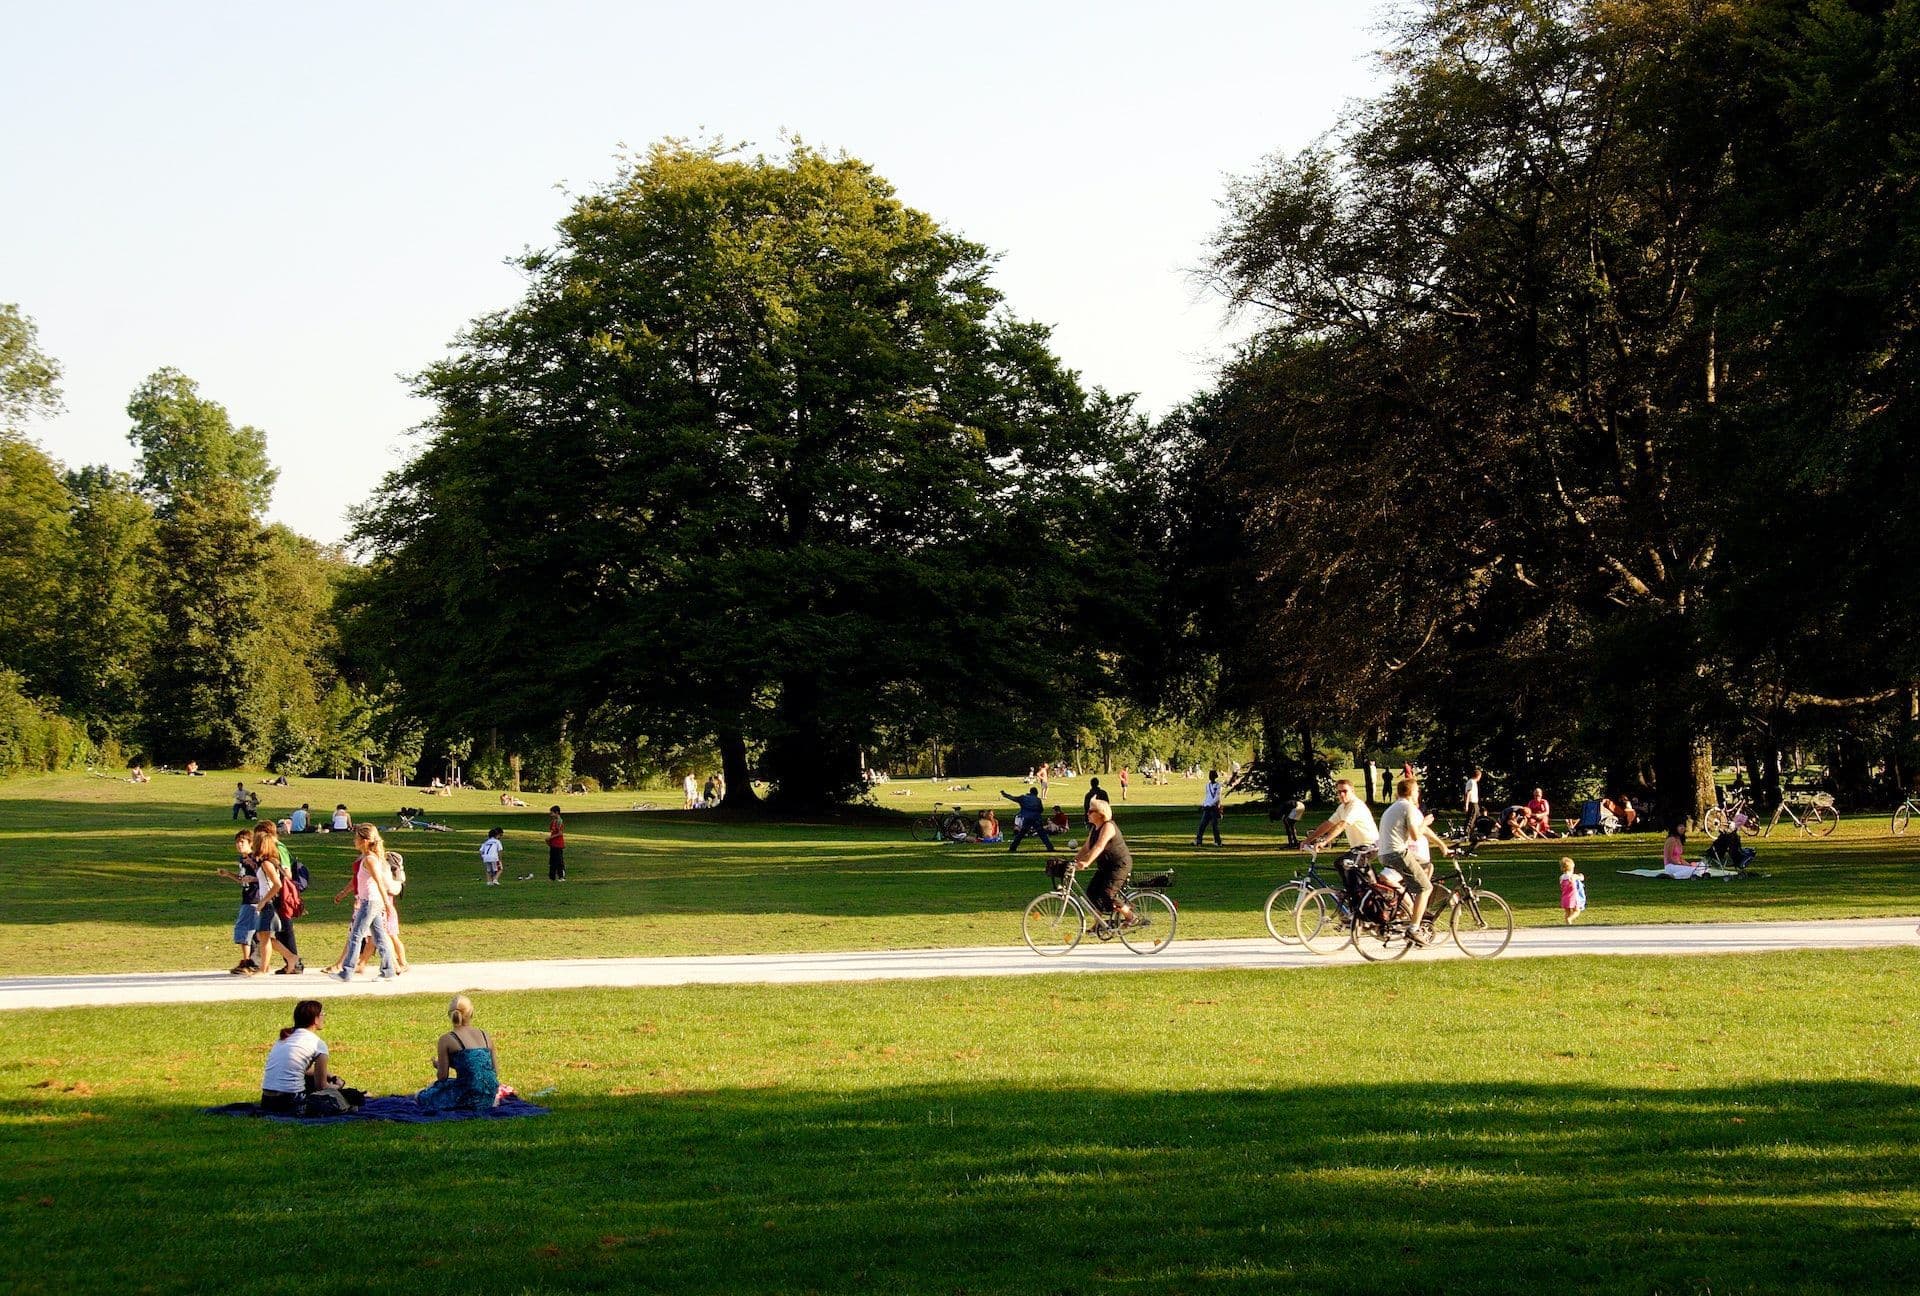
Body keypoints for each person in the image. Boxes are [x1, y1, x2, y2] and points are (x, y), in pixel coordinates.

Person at [1377, 775, 1450, 943]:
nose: (1418, 794)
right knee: (1425, 888)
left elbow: (1421, 830)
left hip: (1386, 854)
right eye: (1417, 791)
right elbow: (1416, 835)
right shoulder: (1408, 808)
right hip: (1397, 853)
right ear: (1411, 791)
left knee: (1427, 866)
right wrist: (1425, 822)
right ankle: (1414, 928)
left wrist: (1441, 845)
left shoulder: (1396, 806)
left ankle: (1410, 904)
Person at [330, 824, 398, 981]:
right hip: (369, 901)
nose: (354, 841)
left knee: (356, 935)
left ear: (365, 840)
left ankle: (346, 972)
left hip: (371, 903)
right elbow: (357, 881)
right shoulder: (366, 859)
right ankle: (388, 971)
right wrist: (343, 893)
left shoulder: (370, 860)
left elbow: (379, 882)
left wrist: (387, 905)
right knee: (379, 937)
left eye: (356, 838)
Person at [260, 1000, 350, 1115]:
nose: (324, 1017)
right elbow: (321, 1086)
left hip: (267, 1101)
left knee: (311, 1080)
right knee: (340, 1098)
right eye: (322, 1014)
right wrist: (338, 1086)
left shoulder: (285, 1038)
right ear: (315, 1019)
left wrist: (331, 1076)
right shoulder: (318, 1044)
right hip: (291, 1102)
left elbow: (301, 1068)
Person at [417, 994, 502, 1113]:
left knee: (422, 1095)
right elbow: (492, 1070)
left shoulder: (446, 1039)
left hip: (468, 1095)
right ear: (471, 1013)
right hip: (489, 1095)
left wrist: (439, 1065)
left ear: (450, 1015)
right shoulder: (485, 1035)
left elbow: (442, 1077)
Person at [249, 821, 303, 975]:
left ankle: (266, 967)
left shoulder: (267, 863)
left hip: (269, 902)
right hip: (268, 901)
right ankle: (290, 958)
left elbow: (277, 884)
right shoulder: (267, 862)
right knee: (263, 935)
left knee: (264, 935)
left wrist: (263, 901)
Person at [1075, 798, 1135, 930]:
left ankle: (1130, 916)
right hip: (1105, 866)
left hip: (1119, 865)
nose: (1087, 813)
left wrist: (1086, 862)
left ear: (1100, 813)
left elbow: (1099, 846)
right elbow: (1086, 848)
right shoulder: (1095, 829)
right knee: (1091, 892)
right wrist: (1073, 862)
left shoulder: (1108, 826)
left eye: (1091, 811)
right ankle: (1099, 924)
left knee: (1108, 894)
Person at [217, 830, 262, 974]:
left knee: (244, 930)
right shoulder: (242, 860)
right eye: (237, 842)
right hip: (247, 896)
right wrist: (229, 874)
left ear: (251, 843)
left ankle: (247, 962)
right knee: (252, 933)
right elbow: (243, 879)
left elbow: (264, 877)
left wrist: (253, 877)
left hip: (254, 898)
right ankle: (253, 960)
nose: (239, 845)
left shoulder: (254, 859)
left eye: (242, 842)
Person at [1301, 779, 1380, 857]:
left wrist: (1324, 841)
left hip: (1369, 846)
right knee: (1342, 864)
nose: (1342, 794)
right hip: (1357, 847)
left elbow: (1342, 825)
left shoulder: (1356, 805)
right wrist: (1308, 840)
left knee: (1343, 863)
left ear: (1352, 791)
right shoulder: (1342, 808)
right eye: (1339, 792)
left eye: (1345, 791)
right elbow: (1328, 824)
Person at [1000, 786, 1053, 852]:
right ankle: (1050, 847)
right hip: (1036, 818)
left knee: (1021, 834)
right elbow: (1041, 809)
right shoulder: (1038, 800)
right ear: (1036, 793)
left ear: (1030, 792)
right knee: (1042, 834)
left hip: (1027, 818)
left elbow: (1013, 798)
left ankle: (1013, 847)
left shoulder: (1023, 798)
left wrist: (1005, 794)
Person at [1193, 769, 1224, 846]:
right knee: (1202, 825)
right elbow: (1207, 796)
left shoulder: (1218, 786)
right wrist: (1204, 804)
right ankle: (1198, 841)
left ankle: (1218, 841)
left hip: (1213, 808)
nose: (1210, 777)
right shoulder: (1207, 785)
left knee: (1214, 826)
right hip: (1207, 807)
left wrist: (1210, 804)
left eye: (1211, 775)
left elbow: (1217, 797)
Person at [1560, 857, 1588, 923]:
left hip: (1564, 897)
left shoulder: (1561, 877)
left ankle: (1568, 923)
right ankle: (1570, 919)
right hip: (1573, 897)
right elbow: (1581, 878)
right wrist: (1580, 875)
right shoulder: (1573, 876)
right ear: (1572, 868)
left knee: (1567, 912)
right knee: (1577, 910)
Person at [546, 806, 566, 881]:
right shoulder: (553, 822)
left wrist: (550, 838)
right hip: (553, 844)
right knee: (552, 861)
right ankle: (552, 877)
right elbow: (552, 832)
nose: (550, 814)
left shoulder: (559, 821)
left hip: (558, 844)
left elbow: (560, 833)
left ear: (556, 812)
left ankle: (561, 876)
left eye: (552, 813)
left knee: (559, 861)